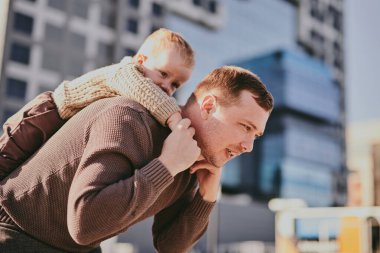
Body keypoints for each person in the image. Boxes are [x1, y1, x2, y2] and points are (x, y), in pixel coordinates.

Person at [0, 66, 274, 252]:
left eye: (256, 135)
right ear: (209, 106)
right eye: (245, 127)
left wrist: (207, 196)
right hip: (13, 234)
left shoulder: (190, 160)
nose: (249, 146)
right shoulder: (129, 118)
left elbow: (169, 245)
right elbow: (85, 223)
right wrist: (166, 166)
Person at [0, 28, 193, 180]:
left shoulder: (147, 98)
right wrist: (175, 118)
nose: (167, 86)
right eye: (163, 74)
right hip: (46, 114)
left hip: (62, 130)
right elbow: (145, 91)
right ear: (141, 61)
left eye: (175, 84)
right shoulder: (126, 72)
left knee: (22, 172)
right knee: (6, 160)